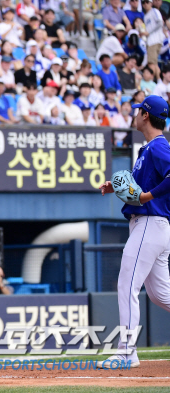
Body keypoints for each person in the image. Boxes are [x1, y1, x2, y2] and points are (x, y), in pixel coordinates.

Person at [98, 95, 170, 369]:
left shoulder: (158, 147)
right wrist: (113, 185)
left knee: (127, 285)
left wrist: (149, 195)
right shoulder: (148, 149)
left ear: (146, 116)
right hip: (155, 227)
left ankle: (127, 352)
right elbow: (135, 187)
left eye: (139, 109)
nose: (135, 111)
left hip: (150, 223)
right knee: (161, 296)